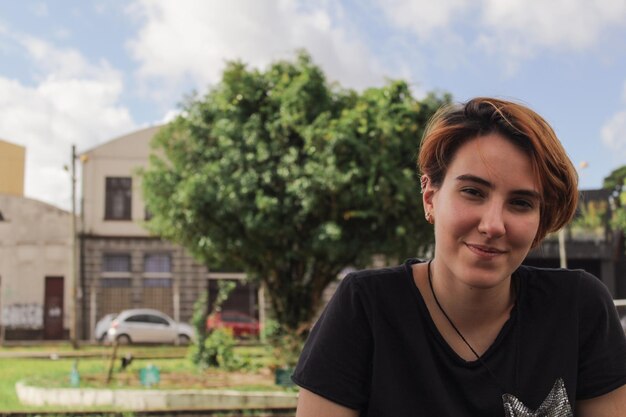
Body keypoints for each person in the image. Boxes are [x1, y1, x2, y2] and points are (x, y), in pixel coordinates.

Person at [291, 97, 626, 416]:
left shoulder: (578, 308)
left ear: (541, 219)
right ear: (430, 197)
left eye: (521, 202)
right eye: (472, 192)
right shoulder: (365, 308)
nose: (493, 225)